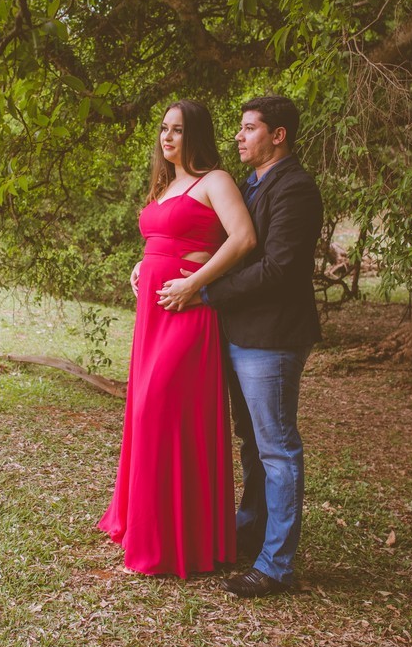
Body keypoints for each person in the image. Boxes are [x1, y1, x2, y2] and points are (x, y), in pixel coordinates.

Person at [157, 95, 323, 597]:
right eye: (239, 128)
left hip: (271, 336)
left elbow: (277, 268)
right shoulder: (251, 185)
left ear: (279, 136)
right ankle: (249, 530)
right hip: (235, 332)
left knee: (277, 448)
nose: (238, 136)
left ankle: (276, 565)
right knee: (251, 442)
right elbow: (221, 243)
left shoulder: (295, 190)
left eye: (250, 128)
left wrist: (204, 291)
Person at [98, 99, 256, 577]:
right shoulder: (165, 185)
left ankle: (174, 541)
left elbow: (243, 238)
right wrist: (145, 265)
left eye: (179, 130)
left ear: (198, 135)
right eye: (164, 128)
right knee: (144, 412)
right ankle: (148, 526)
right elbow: (163, 240)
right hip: (153, 312)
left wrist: (195, 284)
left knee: (160, 411)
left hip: (189, 312)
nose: (168, 137)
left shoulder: (216, 181)